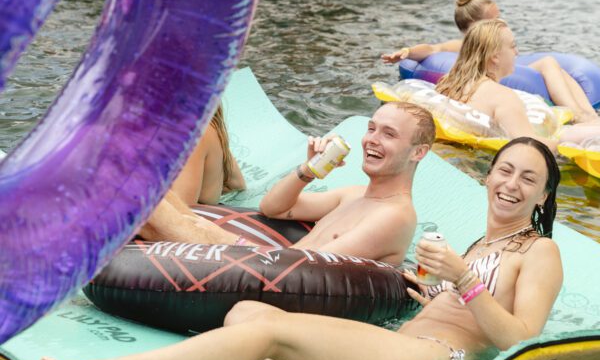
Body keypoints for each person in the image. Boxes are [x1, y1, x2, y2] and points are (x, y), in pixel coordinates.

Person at [40, 138, 563, 360]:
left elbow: (521, 341)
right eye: (505, 170)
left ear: (543, 195)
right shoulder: (484, 242)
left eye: (528, 178)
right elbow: (470, 312)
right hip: (406, 343)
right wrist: (436, 292)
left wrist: (464, 281)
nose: (511, 184)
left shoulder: (541, 252)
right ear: (489, 175)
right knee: (245, 309)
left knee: (268, 330)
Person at [141, 102, 435, 266]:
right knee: (157, 197)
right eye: (371, 128)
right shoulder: (354, 196)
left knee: (144, 207)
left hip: (268, 274)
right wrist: (309, 170)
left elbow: (310, 265)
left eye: (389, 134)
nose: (372, 139)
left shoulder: (394, 216)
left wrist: (226, 241)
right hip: (261, 262)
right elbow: (273, 207)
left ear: (419, 152)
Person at [381, 0, 600, 122]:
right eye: (494, 20)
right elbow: (432, 50)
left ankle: (590, 116)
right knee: (549, 63)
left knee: (555, 67)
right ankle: (579, 116)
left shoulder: (501, 45)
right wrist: (408, 52)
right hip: (511, 74)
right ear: (472, 26)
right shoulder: (461, 45)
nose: (502, 23)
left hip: (518, 67)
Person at [433, 19, 600, 153]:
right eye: (513, 46)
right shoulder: (501, 97)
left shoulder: (450, 83)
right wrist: (574, 151)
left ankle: (590, 120)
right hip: (550, 138)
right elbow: (528, 144)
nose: (517, 53)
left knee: (593, 126)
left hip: (545, 127)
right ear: (495, 57)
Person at [170, 103, 246, 205]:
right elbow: (236, 183)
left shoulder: (191, 133)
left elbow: (183, 208)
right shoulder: (206, 121)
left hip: (195, 215)